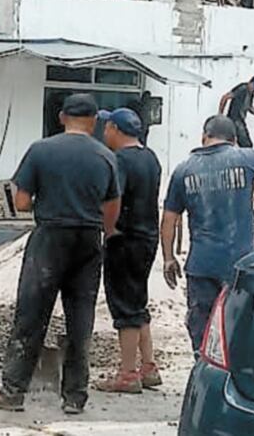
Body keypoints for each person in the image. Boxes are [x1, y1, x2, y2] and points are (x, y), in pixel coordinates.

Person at [0, 94, 120, 414]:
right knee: (80, 319)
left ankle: (13, 391)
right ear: (94, 120)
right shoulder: (105, 156)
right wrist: (103, 231)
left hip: (50, 238)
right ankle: (74, 396)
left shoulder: (41, 150)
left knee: (31, 316)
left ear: (61, 117)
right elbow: (112, 207)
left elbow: (21, 202)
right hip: (88, 239)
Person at [162, 116, 254, 354]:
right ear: (233, 139)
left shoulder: (183, 170)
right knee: (238, 325)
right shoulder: (247, 158)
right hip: (240, 263)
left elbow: (169, 218)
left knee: (201, 328)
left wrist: (168, 258)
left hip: (201, 265)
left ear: (204, 137)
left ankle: (203, 367)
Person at [95, 108, 163, 394]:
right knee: (137, 300)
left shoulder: (119, 161)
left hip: (125, 239)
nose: (103, 132)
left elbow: (115, 199)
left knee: (125, 306)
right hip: (147, 237)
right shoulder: (151, 158)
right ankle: (148, 366)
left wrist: (108, 229)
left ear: (114, 128)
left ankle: (127, 373)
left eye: (106, 127)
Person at [218, 75, 254, 149]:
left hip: (240, 120)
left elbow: (249, 107)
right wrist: (220, 114)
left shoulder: (251, 94)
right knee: (246, 145)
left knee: (243, 145)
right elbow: (225, 97)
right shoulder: (242, 89)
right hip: (234, 119)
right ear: (250, 83)